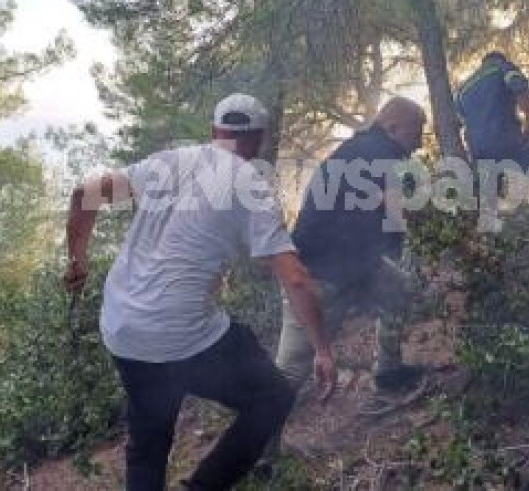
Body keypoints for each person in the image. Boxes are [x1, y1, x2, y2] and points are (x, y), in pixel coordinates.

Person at [63, 93, 336, 491]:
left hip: (122, 326)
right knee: (272, 398)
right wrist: (323, 348)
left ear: (214, 131)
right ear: (258, 139)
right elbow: (294, 278)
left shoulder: (166, 161)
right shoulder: (250, 185)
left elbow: (82, 193)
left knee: (147, 446)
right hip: (184, 334)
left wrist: (77, 262)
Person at [275, 97, 427, 398]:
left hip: (357, 264)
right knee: (291, 370)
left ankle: (389, 372)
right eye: (416, 131)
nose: (420, 142)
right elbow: (398, 210)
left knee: (398, 294)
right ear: (392, 126)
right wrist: (434, 222)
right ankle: (253, 436)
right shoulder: (382, 152)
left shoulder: (360, 150)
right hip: (317, 275)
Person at [456, 51, 529, 169]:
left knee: (491, 185)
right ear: (500, 59)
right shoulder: (503, 67)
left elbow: (457, 120)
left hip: (479, 154)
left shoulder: (463, 88)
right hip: (507, 142)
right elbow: (520, 89)